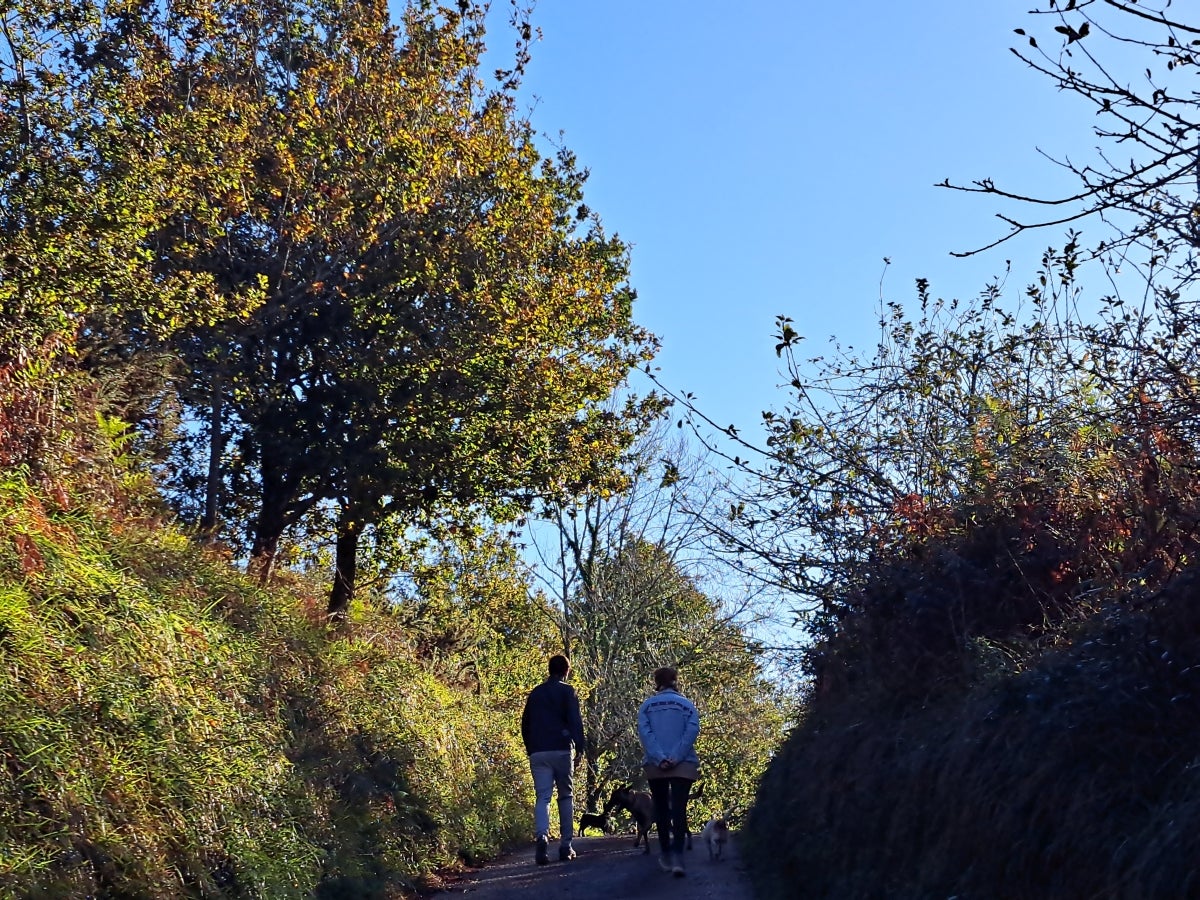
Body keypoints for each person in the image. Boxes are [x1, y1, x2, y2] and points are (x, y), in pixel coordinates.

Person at [521, 653, 586, 865]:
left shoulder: (536, 693)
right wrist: (580, 747)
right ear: (566, 671)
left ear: (549, 670)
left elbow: (525, 723)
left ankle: (542, 836)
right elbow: (575, 721)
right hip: (561, 748)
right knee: (565, 796)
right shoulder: (567, 691)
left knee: (543, 797)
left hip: (538, 750)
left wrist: (531, 748)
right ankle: (566, 846)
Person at [637, 665, 701, 878]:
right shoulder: (687, 705)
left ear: (657, 682)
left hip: (657, 765)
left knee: (661, 809)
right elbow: (691, 731)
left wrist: (660, 757)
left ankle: (665, 853)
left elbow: (645, 734)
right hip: (683, 763)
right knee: (679, 810)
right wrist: (676, 756)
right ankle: (678, 858)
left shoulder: (647, 706)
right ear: (675, 680)